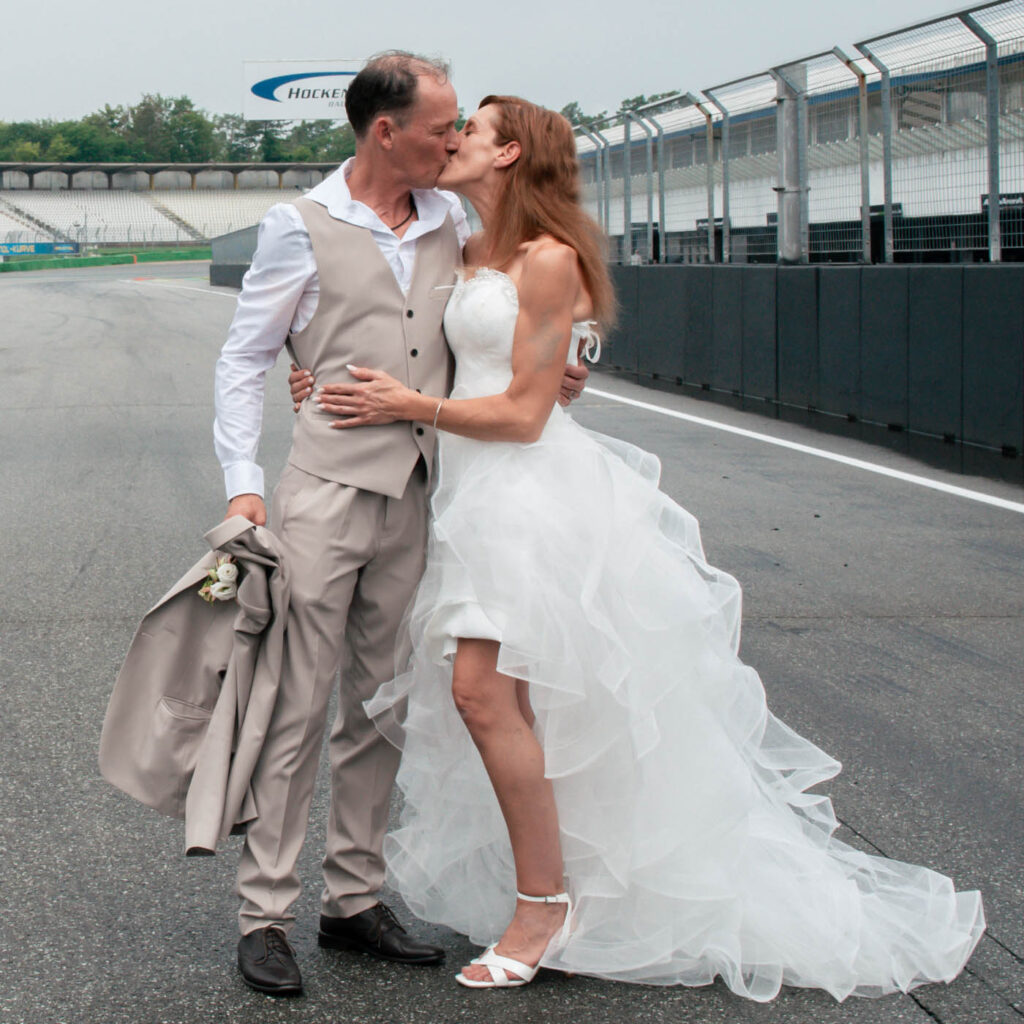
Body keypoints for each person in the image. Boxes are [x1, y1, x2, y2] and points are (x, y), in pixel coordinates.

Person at [301, 95, 985, 999]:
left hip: (528, 499)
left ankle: (543, 906)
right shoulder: (463, 249)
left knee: (481, 694)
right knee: (532, 712)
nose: (457, 135)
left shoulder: (549, 260)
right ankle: (561, 888)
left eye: (475, 127)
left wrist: (409, 406)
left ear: (510, 155)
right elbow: (429, 347)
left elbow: (522, 412)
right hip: (462, 497)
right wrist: (326, 373)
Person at [213, 54, 589, 997]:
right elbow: (245, 356)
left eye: (465, 127)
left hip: (429, 492)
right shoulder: (297, 224)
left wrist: (571, 361)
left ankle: (353, 901)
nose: (455, 139)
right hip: (326, 490)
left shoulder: (454, 219)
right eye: (441, 126)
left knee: (380, 706)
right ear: (388, 132)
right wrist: (243, 487)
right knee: (295, 701)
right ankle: (265, 912)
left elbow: (507, 323)